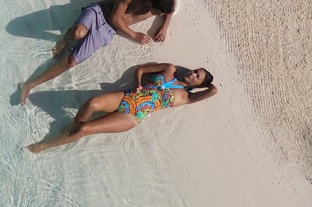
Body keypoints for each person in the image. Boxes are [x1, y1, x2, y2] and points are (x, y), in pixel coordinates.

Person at [17, 0, 177, 104]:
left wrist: (165, 25)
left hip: (107, 30)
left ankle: (29, 85)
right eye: (158, 13)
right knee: (78, 33)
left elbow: (172, 6)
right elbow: (115, 18)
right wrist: (134, 35)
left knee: (71, 61)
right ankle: (64, 40)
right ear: (151, 2)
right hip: (99, 13)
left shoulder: (159, 2)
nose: (159, 15)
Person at [27, 63, 217, 153]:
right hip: (126, 97)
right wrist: (138, 83)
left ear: (199, 84)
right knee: (92, 103)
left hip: (133, 116)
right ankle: (72, 124)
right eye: (195, 70)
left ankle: (44, 146)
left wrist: (206, 84)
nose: (193, 74)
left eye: (197, 76)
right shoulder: (169, 69)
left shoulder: (185, 97)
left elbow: (214, 90)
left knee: (85, 129)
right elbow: (141, 69)